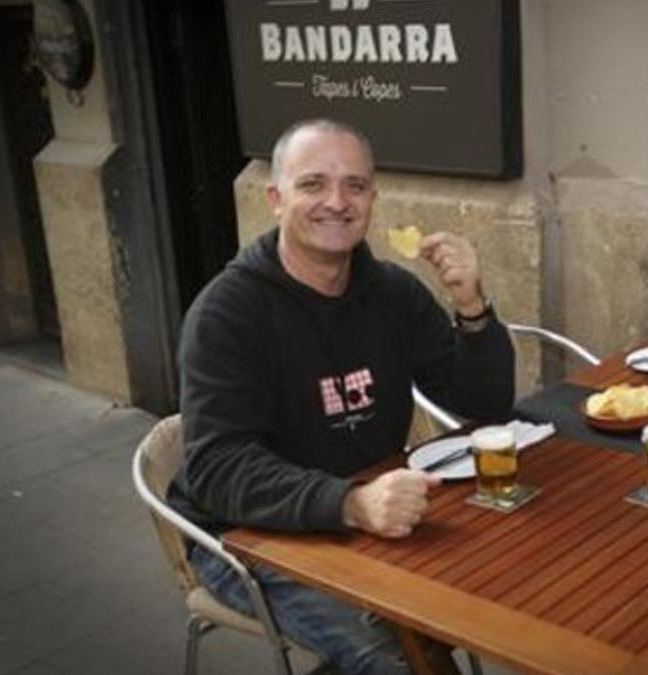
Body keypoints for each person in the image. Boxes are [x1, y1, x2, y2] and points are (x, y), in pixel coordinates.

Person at [168, 118, 515, 674]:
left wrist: (472, 309)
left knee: (511, 592)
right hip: (249, 537)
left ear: (373, 198)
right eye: (313, 184)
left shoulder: (393, 294)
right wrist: (350, 503)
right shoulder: (226, 314)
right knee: (398, 656)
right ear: (276, 199)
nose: (337, 201)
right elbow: (217, 467)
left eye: (355, 185)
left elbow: (484, 406)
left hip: (374, 511)